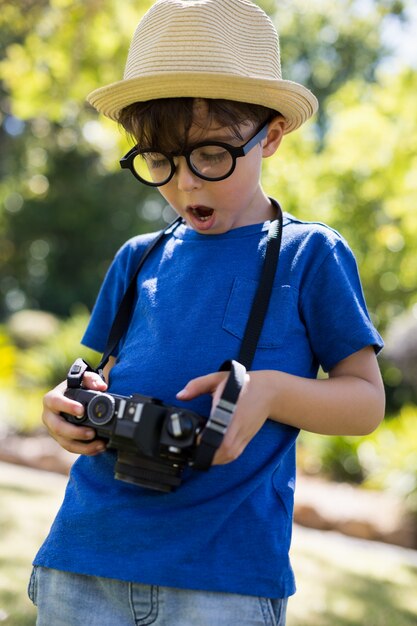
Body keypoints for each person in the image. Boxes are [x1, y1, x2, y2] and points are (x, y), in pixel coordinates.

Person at [29, 1, 385, 624]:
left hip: (224, 581)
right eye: (160, 160)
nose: (186, 184)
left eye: (212, 156)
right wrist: (68, 409)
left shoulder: (311, 255)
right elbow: (100, 379)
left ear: (270, 136)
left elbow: (365, 401)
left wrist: (269, 393)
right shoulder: (138, 259)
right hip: (83, 560)